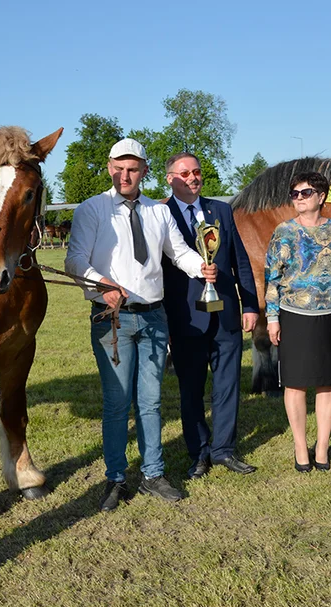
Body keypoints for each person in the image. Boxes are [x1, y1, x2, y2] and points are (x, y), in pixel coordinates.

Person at [65, 139, 217, 512]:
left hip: (153, 316)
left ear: (145, 171)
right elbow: (74, 261)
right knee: (117, 403)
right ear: (109, 168)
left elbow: (178, 251)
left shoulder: (158, 212)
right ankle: (116, 478)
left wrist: (201, 266)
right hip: (111, 320)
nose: (124, 175)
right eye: (118, 168)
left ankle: (153, 474)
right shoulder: (91, 210)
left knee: (150, 403)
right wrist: (102, 284)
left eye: (132, 169)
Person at [162, 152, 260, 480]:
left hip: (227, 314)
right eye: (185, 173)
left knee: (228, 384)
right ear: (170, 179)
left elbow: (240, 260)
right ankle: (199, 452)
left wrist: (249, 306)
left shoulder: (221, 210)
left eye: (197, 172)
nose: (193, 177)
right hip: (186, 317)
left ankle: (224, 450)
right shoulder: (160, 215)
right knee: (191, 389)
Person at [265, 171, 331, 472]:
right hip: (295, 315)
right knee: (295, 383)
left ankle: (321, 447)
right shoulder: (284, 232)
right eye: (294, 193)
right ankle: (299, 447)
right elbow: (273, 277)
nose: (299, 198)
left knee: (327, 383)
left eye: (305, 193)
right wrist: (272, 317)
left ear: (321, 196)